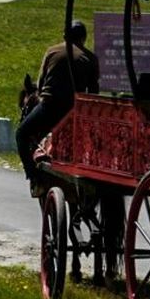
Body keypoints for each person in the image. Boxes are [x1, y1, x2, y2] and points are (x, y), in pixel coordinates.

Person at [19, 20, 99, 195]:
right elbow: (93, 92)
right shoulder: (91, 58)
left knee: (21, 135)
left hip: (50, 107)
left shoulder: (52, 51)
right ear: (84, 38)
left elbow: (40, 85)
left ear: (65, 35)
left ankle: (34, 178)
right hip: (75, 112)